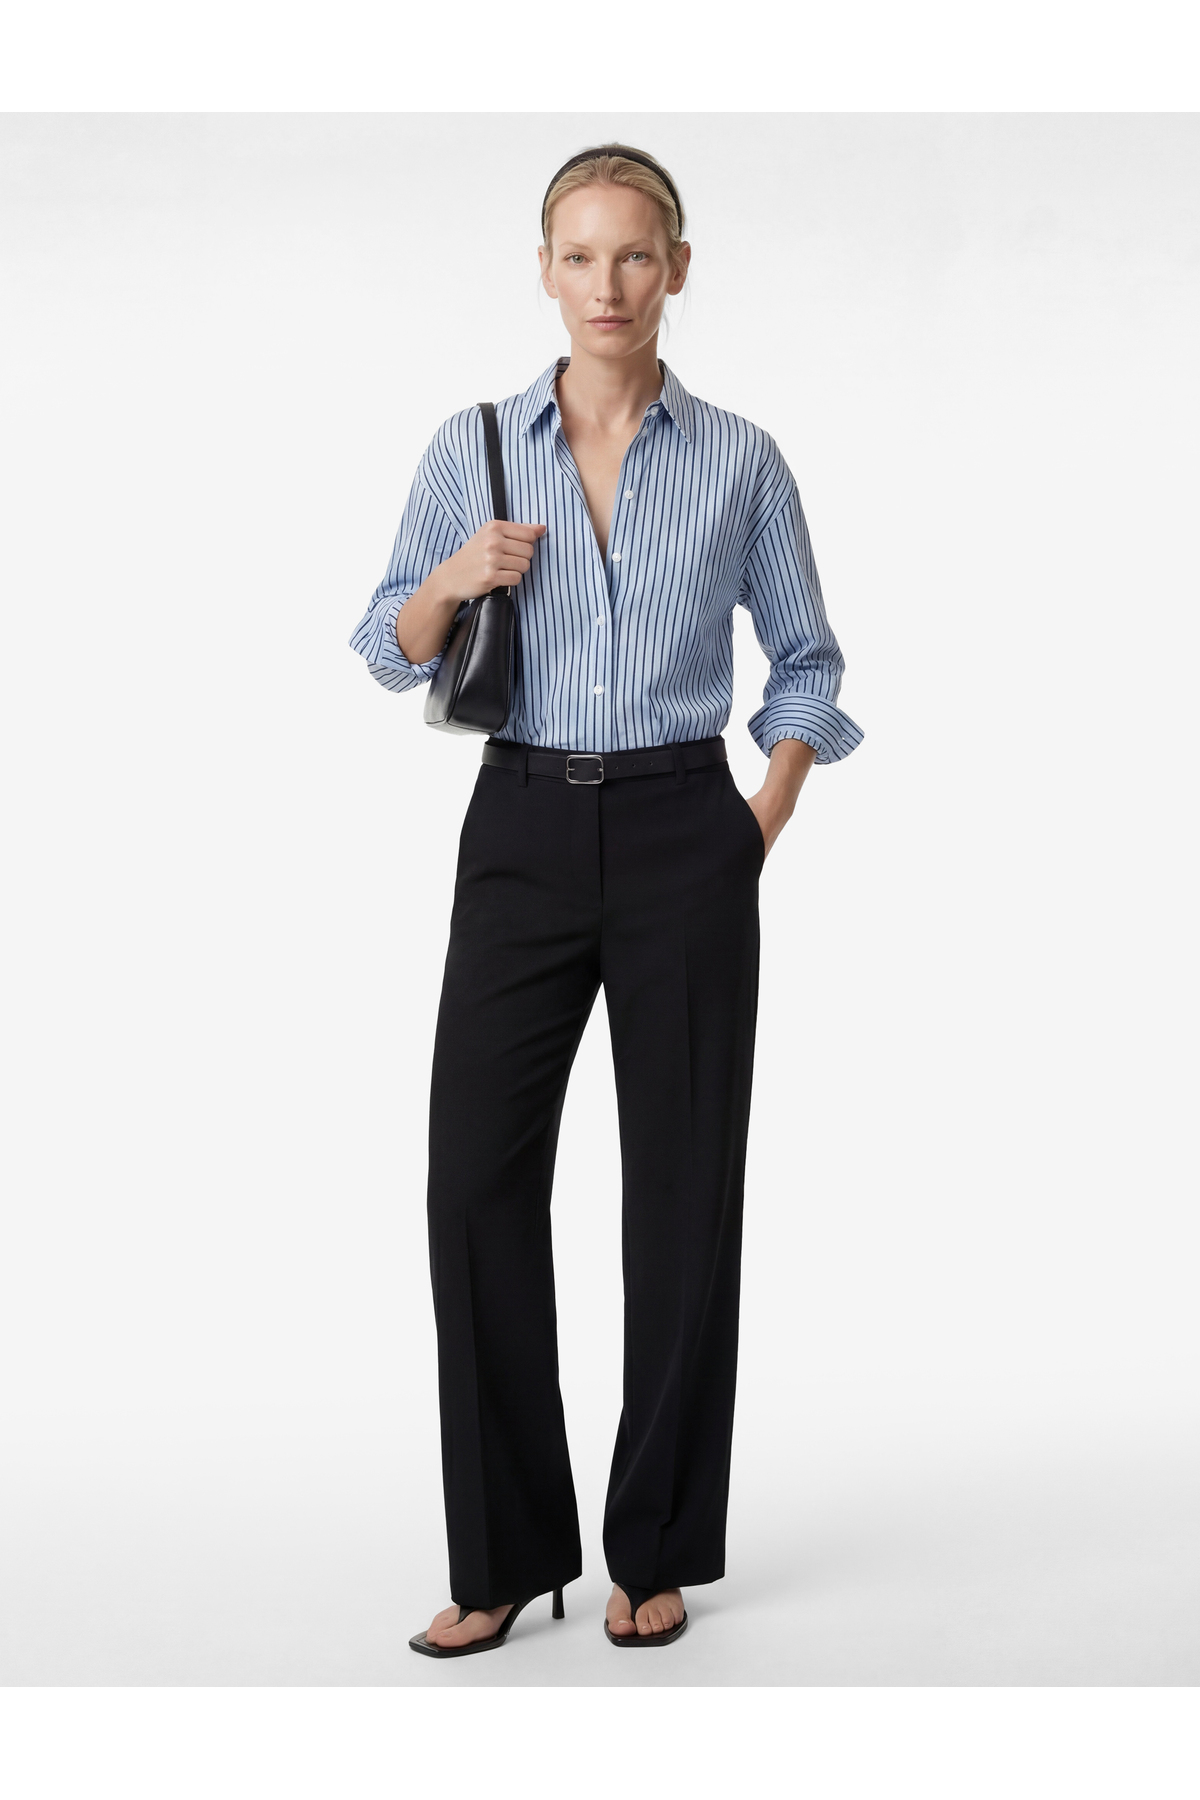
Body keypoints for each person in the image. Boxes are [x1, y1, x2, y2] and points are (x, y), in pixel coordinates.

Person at [349, 144, 863, 1658]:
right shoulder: (474, 445)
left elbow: (807, 660)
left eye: (635, 255)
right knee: (473, 1182)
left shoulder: (740, 458)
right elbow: (384, 644)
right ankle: (505, 1554)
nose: (608, 286)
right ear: (545, 271)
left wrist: (758, 816)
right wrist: (455, 576)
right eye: (578, 256)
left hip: (682, 828)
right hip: (518, 822)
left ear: (677, 268)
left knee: (684, 1190)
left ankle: (657, 1545)